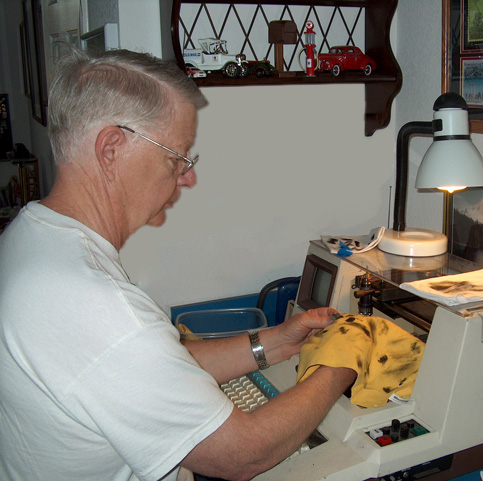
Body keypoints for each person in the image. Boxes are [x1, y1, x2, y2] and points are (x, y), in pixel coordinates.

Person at [0, 49, 355, 481]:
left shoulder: (31, 235)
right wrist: (341, 361)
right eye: (178, 157)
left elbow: (148, 368)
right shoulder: (96, 304)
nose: (188, 177)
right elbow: (243, 454)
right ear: (111, 148)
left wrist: (277, 342)